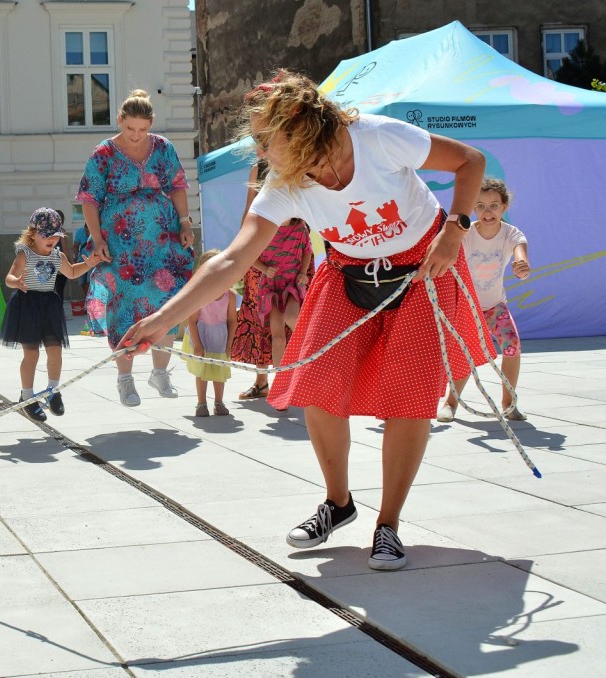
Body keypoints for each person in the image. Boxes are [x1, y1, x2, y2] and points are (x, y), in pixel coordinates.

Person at [119, 69, 493, 571]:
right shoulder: (285, 183)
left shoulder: (379, 138)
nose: (259, 153)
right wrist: (163, 318)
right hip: (347, 273)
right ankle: (338, 505)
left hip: (424, 267)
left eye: (263, 140)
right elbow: (232, 260)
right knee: (316, 385)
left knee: (409, 397)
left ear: (300, 129)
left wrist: (456, 229)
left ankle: (388, 526)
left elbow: (470, 161)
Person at [77, 89, 195, 407]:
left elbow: (178, 185)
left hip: (162, 240)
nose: (136, 135)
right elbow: (89, 200)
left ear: (151, 125)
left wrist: (185, 223)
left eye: (142, 129)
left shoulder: (163, 148)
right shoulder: (103, 154)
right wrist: (97, 239)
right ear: (120, 121)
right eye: (130, 128)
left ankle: (160, 372)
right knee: (124, 307)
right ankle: (125, 380)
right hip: (120, 246)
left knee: (166, 301)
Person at [437, 177, 530, 423]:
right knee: (466, 354)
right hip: (468, 308)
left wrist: (521, 265)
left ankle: (509, 404)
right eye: (480, 206)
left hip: (494, 307)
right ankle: (450, 403)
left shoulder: (511, 234)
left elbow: (520, 253)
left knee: (512, 346)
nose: (487, 212)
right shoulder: (466, 235)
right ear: (473, 208)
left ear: (504, 207)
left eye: (493, 206)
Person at [0, 207, 100, 421]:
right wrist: (16, 282)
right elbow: (9, 278)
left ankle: (53, 390)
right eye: (46, 235)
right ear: (33, 233)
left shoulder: (58, 256)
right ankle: (26, 397)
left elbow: (72, 272)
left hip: (49, 305)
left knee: (55, 351)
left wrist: (89, 264)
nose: (52, 240)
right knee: (32, 354)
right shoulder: (24, 253)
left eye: (55, 236)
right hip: (28, 305)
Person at [230, 159, 274, 400]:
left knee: (295, 318)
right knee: (259, 316)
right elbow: (249, 212)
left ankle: (295, 382)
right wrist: (243, 248)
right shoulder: (260, 166)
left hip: (292, 247)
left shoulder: (299, 160)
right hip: (261, 245)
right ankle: (261, 381)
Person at [181, 249, 237, 417]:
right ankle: (201, 403)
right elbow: (191, 320)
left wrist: (230, 344)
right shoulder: (200, 293)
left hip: (220, 336)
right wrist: (198, 345)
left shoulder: (230, 295)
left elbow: (232, 320)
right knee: (202, 372)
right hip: (202, 334)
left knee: (219, 372)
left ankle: (219, 402)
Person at [256, 218, 313, 380]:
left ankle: (309, 355)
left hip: (292, 283)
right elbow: (250, 255)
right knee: (278, 336)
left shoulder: (300, 227)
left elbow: (307, 250)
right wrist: (264, 269)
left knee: (292, 317)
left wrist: (303, 272)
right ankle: (280, 381)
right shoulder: (265, 226)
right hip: (271, 286)